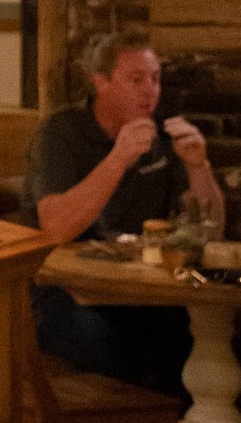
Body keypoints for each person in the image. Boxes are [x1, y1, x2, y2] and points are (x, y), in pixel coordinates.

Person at [27, 34, 224, 397]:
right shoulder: (62, 133)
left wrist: (199, 167)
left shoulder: (162, 134)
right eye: (137, 79)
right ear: (100, 83)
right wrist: (118, 159)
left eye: (155, 78)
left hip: (136, 293)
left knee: (205, 343)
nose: (150, 90)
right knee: (123, 350)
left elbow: (210, 230)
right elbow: (56, 228)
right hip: (64, 294)